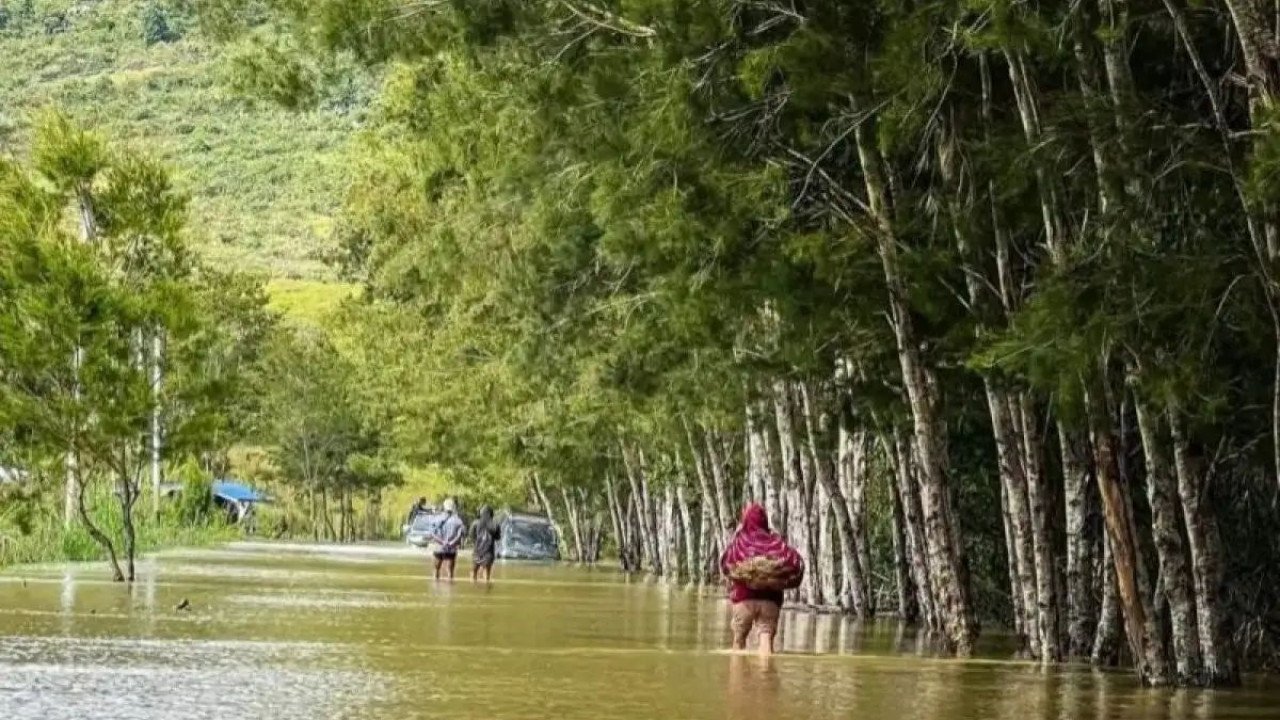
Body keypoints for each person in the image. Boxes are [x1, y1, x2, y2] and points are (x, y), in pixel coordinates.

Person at [720, 504, 787, 657]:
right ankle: (765, 676)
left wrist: (737, 534)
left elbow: (725, 563)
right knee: (766, 644)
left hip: (744, 600)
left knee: (738, 642)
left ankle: (737, 678)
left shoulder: (740, 542)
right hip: (770, 600)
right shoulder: (775, 542)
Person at [431, 498, 466, 580]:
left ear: (444, 507)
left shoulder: (436, 519)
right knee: (450, 573)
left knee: (436, 571)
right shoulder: (458, 521)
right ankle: (450, 589)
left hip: (439, 548)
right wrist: (452, 542)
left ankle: (436, 589)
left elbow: (433, 534)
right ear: (453, 508)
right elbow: (460, 535)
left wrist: (442, 542)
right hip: (451, 549)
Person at [470, 506, 502, 583]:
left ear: (481, 513)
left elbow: (471, 536)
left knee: (474, 571)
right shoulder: (495, 524)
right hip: (489, 551)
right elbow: (498, 538)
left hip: (477, 550)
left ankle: (473, 587)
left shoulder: (475, 523)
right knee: (487, 573)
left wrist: (476, 542)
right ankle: (486, 590)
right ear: (491, 514)